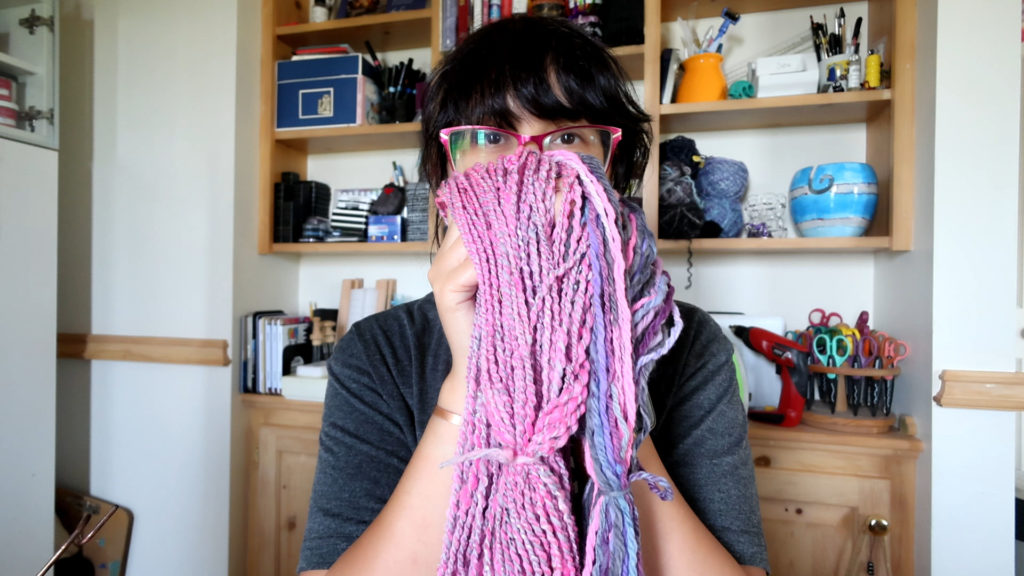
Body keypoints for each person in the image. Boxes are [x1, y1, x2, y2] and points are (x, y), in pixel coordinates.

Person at [298, 15, 769, 576]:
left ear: (609, 168)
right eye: (492, 137)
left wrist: (609, 386)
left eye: (567, 136)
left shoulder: (687, 346)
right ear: (445, 173)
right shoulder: (378, 353)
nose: (529, 167)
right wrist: (476, 378)